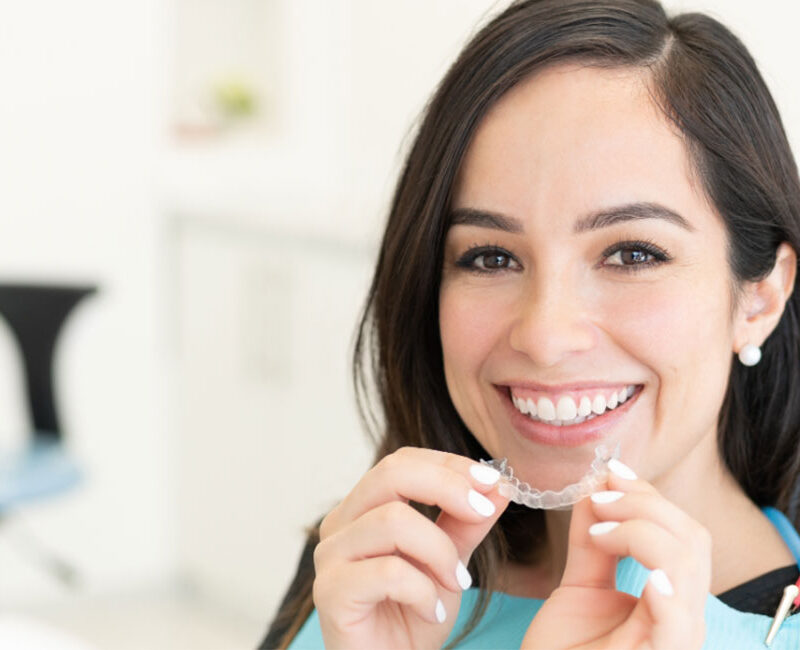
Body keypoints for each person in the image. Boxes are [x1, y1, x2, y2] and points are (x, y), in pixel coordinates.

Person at [262, 0, 800, 647]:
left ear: (760, 297)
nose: (545, 337)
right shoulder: (369, 567)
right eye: (490, 257)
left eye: (633, 254)